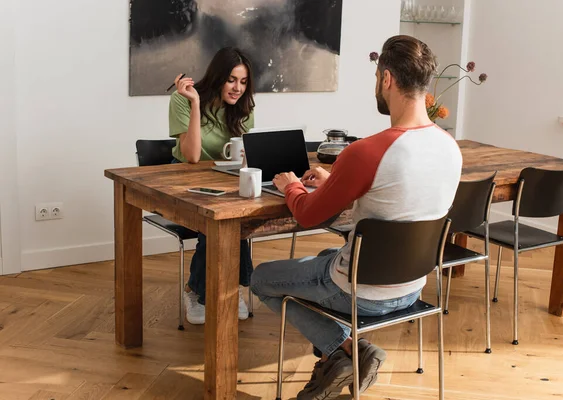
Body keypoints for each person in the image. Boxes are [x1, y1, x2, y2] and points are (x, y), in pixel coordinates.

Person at [250, 35, 463, 399]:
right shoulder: (449, 147)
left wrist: (290, 186)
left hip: (360, 292)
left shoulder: (367, 151)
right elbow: (398, 199)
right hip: (413, 287)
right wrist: (337, 182)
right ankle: (347, 355)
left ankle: (345, 351)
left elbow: (306, 216)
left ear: (386, 79)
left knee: (261, 278)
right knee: (321, 259)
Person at [169, 47, 255, 325]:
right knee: (217, 222)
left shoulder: (243, 108)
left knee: (239, 219)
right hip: (183, 180)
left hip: (223, 180)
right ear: (218, 76)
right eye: (232, 79)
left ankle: (228, 290)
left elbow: (243, 154)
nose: (237, 88)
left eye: (243, 82)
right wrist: (195, 104)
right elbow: (192, 156)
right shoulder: (182, 99)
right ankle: (199, 292)